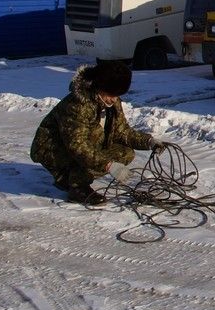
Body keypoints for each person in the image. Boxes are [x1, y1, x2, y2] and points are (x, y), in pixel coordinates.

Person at [31, 61, 160, 204]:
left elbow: (122, 132)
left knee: (125, 152)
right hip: (53, 149)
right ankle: (76, 186)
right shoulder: (78, 105)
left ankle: (74, 175)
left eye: (117, 95)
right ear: (99, 87)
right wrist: (109, 165)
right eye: (112, 94)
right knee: (90, 154)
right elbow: (78, 147)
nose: (115, 99)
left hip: (84, 145)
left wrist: (149, 141)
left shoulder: (110, 101)